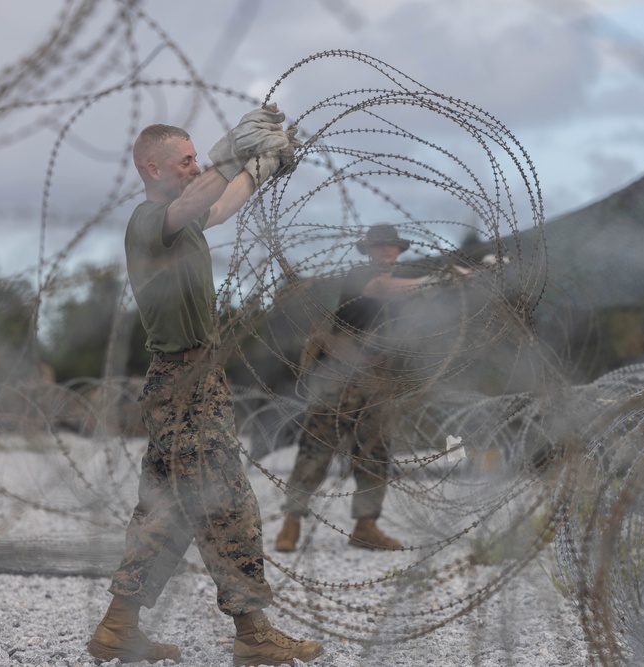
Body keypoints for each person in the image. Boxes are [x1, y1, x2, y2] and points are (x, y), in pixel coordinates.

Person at [86, 106, 324, 666]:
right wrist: (229, 151)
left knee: (164, 509)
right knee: (226, 502)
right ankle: (253, 633)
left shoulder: (184, 218)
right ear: (152, 168)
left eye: (196, 159)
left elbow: (217, 204)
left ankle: (118, 628)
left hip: (189, 378)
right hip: (185, 381)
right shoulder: (149, 221)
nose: (194, 169)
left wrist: (257, 169)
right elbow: (194, 201)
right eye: (185, 161)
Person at [274, 224, 442, 553]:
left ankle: (366, 525)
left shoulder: (406, 286)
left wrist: (456, 280)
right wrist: (436, 280)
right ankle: (291, 521)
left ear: (398, 251)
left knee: (375, 451)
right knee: (316, 447)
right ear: (368, 250)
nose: (384, 251)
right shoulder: (358, 275)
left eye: (390, 246)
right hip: (339, 373)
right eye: (378, 246)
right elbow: (384, 288)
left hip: (378, 376)